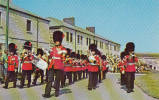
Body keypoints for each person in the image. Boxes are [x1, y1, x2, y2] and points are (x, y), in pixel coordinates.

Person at [43, 31, 66, 98]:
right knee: (50, 80)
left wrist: (61, 52)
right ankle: (47, 93)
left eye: (57, 41)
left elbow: (64, 55)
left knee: (57, 80)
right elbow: (50, 56)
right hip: (52, 65)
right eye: (55, 41)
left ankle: (57, 92)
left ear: (60, 41)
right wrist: (46, 53)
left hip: (59, 66)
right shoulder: (52, 48)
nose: (56, 42)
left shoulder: (63, 48)